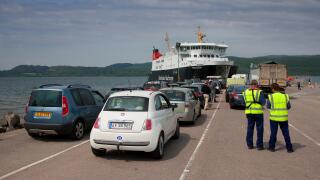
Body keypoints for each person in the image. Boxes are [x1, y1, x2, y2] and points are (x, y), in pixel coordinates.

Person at [267, 83, 293, 153]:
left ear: (273, 89)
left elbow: (268, 106)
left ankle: (271, 147)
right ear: (278, 88)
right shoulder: (285, 96)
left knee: (273, 133)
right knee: (286, 133)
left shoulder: (271, 96)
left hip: (274, 118)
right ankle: (289, 148)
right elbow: (289, 107)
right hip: (283, 118)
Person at [242, 80, 266, 150]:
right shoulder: (259, 92)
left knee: (250, 128)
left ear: (250, 85)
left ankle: (250, 145)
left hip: (249, 112)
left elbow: (243, 103)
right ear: (256, 85)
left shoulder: (245, 92)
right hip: (258, 113)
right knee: (260, 129)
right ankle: (259, 145)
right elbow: (263, 102)